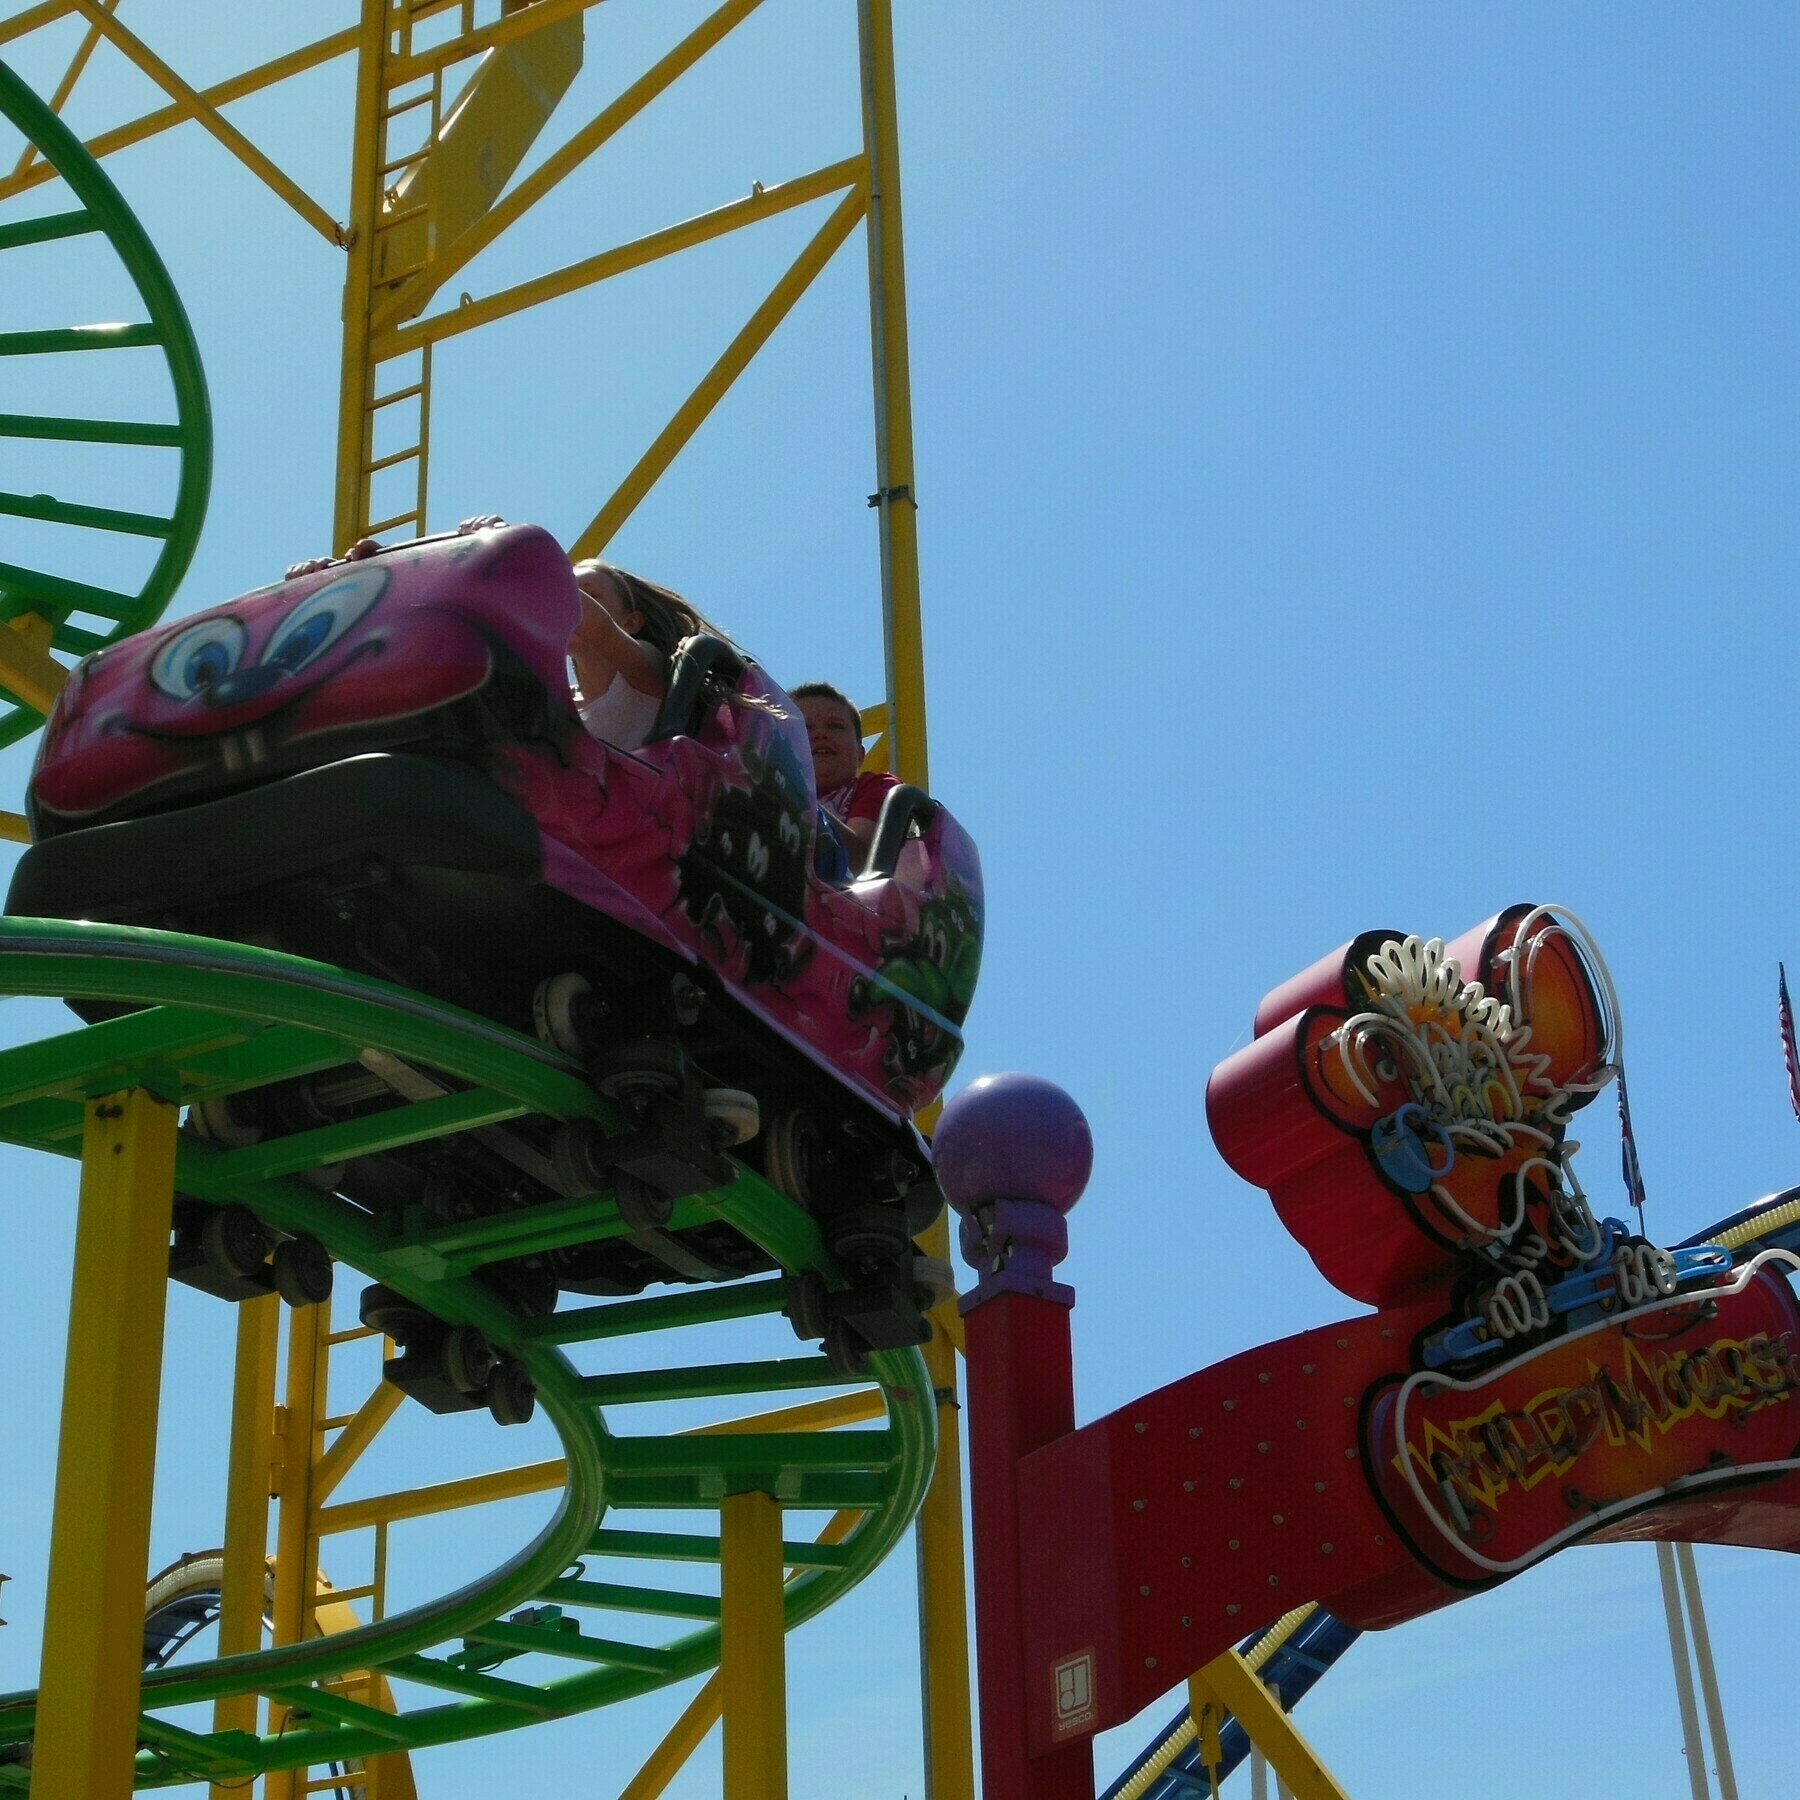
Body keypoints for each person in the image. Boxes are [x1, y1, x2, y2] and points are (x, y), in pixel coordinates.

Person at [568, 559, 706, 750]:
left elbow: (602, 630)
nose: (563, 601)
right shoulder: (557, 698)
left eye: (590, 595)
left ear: (630, 623)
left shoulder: (645, 664)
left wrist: (552, 585)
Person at [792, 681, 898, 874]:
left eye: (835, 726)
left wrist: (797, 797)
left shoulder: (874, 787)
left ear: (860, 755)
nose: (820, 734)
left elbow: (861, 861)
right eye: (805, 728)